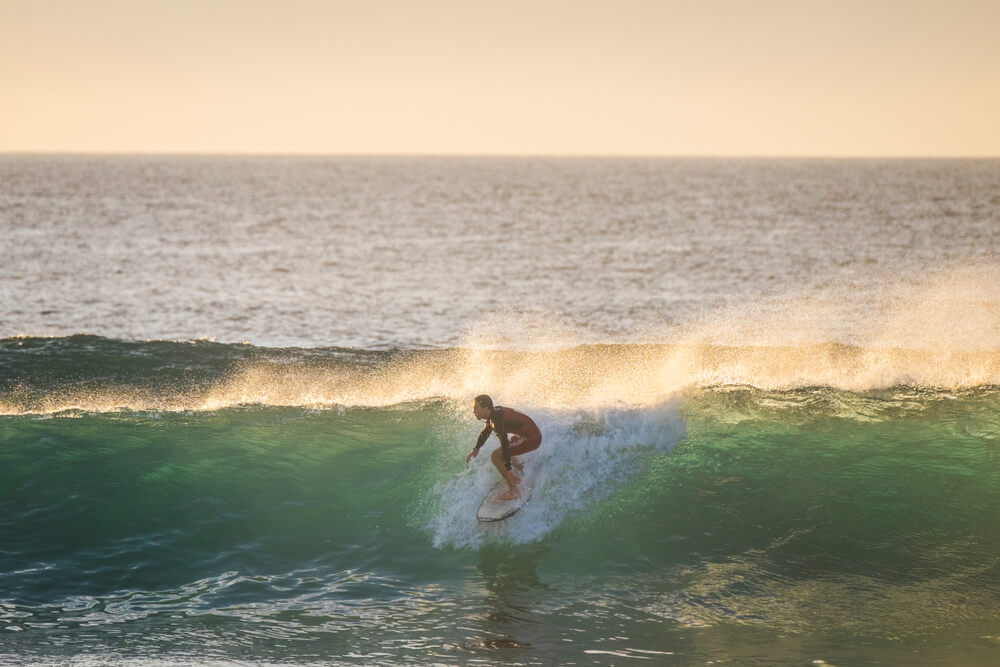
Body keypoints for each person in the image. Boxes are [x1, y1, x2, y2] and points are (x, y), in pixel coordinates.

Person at [466, 394, 542, 500]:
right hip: (526, 434)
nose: (474, 412)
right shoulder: (493, 414)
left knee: (496, 456)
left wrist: (508, 468)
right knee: (508, 448)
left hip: (532, 438)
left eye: (476, 409)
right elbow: (486, 432)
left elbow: (504, 444)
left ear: (486, 408)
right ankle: (521, 469)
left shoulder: (496, 421)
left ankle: (513, 490)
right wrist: (476, 448)